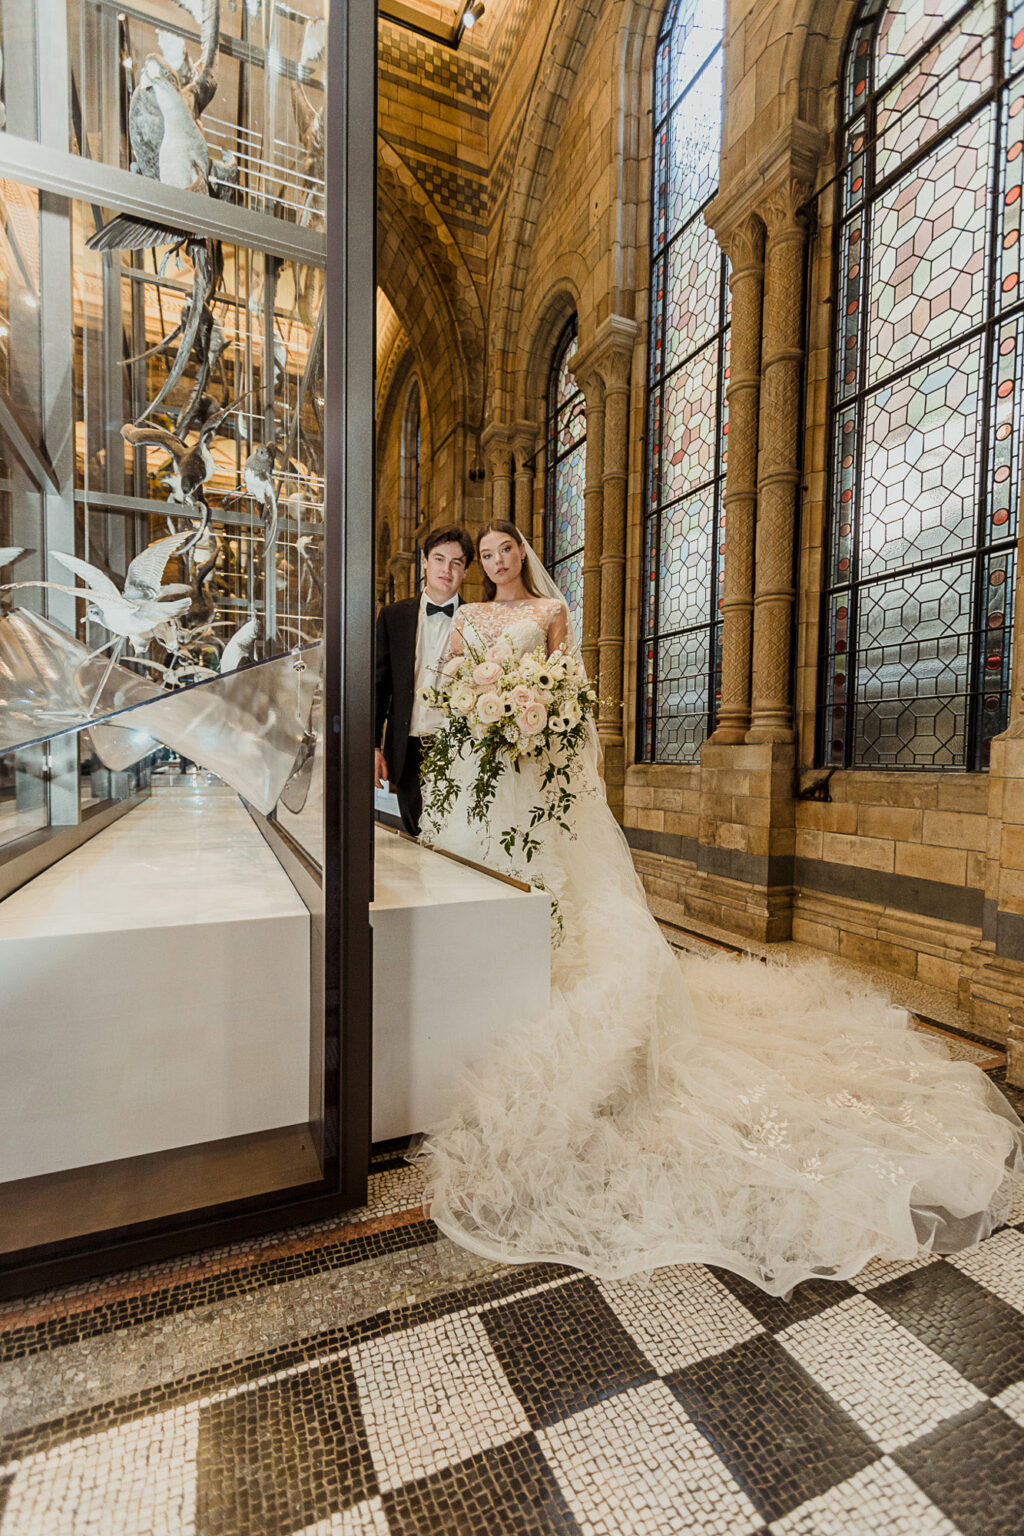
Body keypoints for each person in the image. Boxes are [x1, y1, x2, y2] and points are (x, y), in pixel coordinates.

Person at [416, 520, 1024, 1297]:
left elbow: (573, 696)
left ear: (518, 555)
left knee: (575, 904)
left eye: (505, 551)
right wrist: (486, 713)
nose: (497, 563)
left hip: (542, 775)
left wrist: (540, 721)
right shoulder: (468, 620)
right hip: (487, 775)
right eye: (486, 555)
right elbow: (449, 692)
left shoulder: (550, 612)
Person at [375, 525, 472, 836]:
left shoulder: (477, 619)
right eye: (439, 559)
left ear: (465, 570)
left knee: (458, 838)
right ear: (425, 561)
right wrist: (371, 746)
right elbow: (379, 685)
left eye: (456, 562)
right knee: (417, 832)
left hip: (461, 749)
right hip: (409, 747)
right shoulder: (393, 616)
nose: (447, 569)